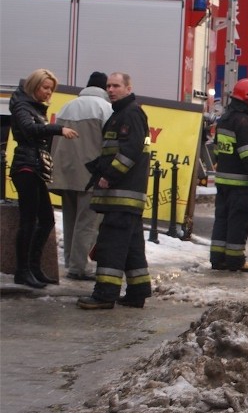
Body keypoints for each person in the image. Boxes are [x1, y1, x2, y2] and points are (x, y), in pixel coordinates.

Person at [77, 72, 152, 309]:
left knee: (111, 246)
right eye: (108, 86)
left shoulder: (130, 114)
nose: (111, 89)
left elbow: (129, 152)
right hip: (126, 196)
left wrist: (108, 176)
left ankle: (104, 295)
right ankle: (137, 292)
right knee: (131, 247)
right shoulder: (120, 114)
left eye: (116, 86)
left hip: (121, 194)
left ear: (128, 88)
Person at [9, 69, 79, 288]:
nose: (49, 92)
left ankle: (34, 267)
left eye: (51, 89)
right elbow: (30, 129)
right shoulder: (22, 105)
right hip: (26, 168)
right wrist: (58, 129)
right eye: (45, 87)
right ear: (34, 86)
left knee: (46, 219)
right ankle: (23, 270)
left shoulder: (34, 107)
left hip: (36, 167)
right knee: (29, 221)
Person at [48, 72, 112, 281]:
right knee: (87, 222)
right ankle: (80, 266)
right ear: (104, 88)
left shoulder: (67, 105)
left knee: (71, 220)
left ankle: (70, 262)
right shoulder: (105, 108)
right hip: (90, 175)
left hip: (65, 172)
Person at [208, 78, 248, 273]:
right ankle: (235, 260)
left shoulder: (225, 119)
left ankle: (218, 258)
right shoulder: (244, 122)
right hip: (241, 184)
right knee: (238, 221)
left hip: (223, 181)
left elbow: (218, 150)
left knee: (222, 219)